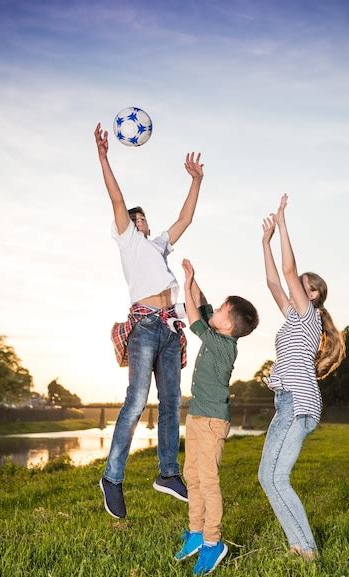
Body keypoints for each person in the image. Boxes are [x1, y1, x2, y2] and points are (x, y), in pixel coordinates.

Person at [94, 123, 204, 519]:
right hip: (144, 327)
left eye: (144, 218)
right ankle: (112, 477)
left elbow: (185, 218)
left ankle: (168, 474)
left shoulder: (158, 247)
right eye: (138, 218)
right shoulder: (128, 240)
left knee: (173, 401)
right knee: (137, 400)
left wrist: (197, 181)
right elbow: (116, 197)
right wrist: (104, 157)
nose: (143, 221)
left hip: (170, 328)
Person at [258, 194, 345, 561]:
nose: (295, 288)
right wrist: (265, 242)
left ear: (313, 296)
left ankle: (307, 549)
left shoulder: (310, 314)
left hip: (299, 403)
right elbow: (273, 282)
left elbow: (289, 273)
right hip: (287, 402)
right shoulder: (294, 317)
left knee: (278, 478)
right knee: (268, 477)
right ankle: (298, 544)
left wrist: (283, 224)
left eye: (303, 286)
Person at [175, 258, 259, 575]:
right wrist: (193, 279)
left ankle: (213, 542)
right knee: (193, 476)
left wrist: (186, 287)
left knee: (209, 482)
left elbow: (195, 317)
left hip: (212, 422)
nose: (217, 311)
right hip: (197, 416)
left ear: (228, 326)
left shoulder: (224, 345)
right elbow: (204, 304)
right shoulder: (219, 329)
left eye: (223, 311)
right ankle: (196, 533)